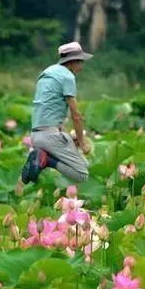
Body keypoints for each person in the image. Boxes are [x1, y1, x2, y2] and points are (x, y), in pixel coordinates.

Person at [20, 42, 92, 184]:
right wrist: (82, 143)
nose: (81, 67)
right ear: (73, 61)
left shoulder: (47, 73)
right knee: (82, 174)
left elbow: (50, 113)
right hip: (51, 136)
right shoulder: (67, 77)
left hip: (36, 135)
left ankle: (41, 157)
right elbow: (76, 115)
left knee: (84, 163)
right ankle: (46, 160)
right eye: (81, 62)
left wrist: (71, 139)